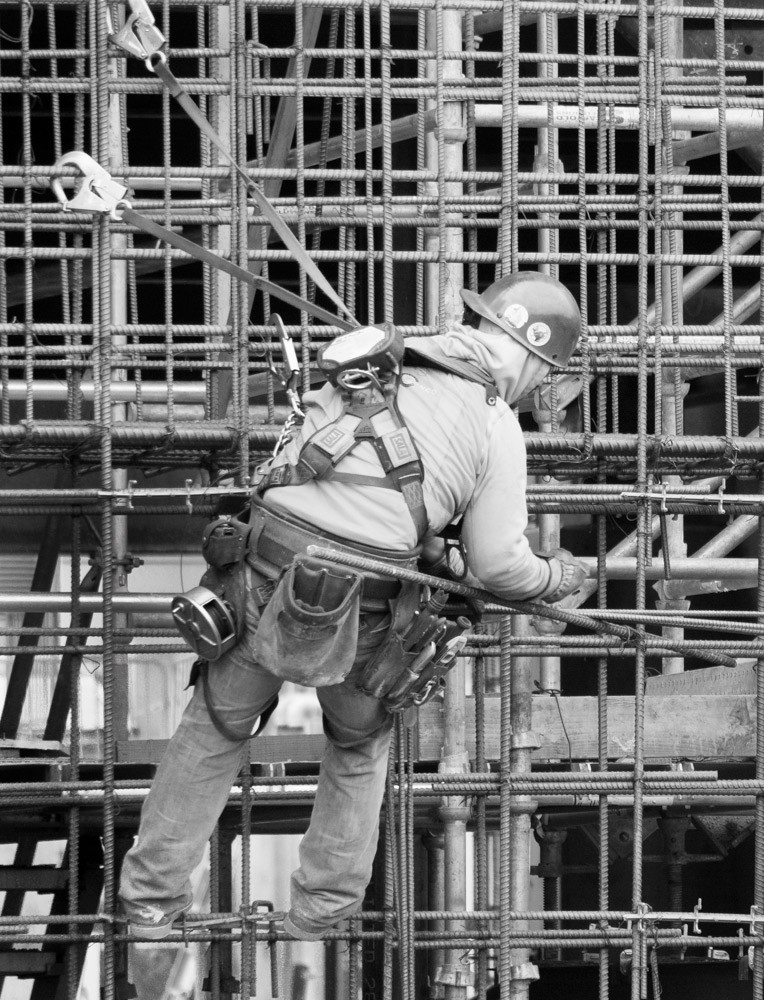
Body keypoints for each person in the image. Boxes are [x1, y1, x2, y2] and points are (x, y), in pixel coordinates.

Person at [119, 272, 587, 995]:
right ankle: (318, 920)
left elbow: (336, 480)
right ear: (530, 356)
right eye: (545, 376)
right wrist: (557, 579)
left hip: (261, 567)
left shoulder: (375, 356)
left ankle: (150, 909)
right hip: (365, 604)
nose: (539, 391)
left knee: (213, 728)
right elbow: (499, 566)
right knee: (359, 742)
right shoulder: (494, 421)